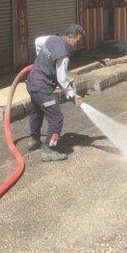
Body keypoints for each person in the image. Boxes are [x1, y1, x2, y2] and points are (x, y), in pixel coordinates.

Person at [26, 24, 85, 162]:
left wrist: (41, 60)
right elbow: (62, 79)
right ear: (70, 37)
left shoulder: (53, 38)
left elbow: (38, 41)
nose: (79, 45)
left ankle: (34, 140)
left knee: (36, 110)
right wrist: (73, 96)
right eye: (78, 41)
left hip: (32, 81)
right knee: (56, 118)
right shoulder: (64, 53)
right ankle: (49, 150)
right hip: (42, 87)